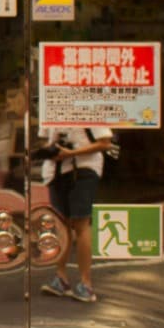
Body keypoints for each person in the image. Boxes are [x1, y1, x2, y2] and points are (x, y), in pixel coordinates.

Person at [38, 124, 115, 304]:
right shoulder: (50, 106)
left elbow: (105, 143)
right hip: (55, 171)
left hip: (83, 169)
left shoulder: (88, 106)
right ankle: (61, 278)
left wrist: (71, 153)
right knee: (60, 224)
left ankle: (85, 283)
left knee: (81, 224)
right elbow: (46, 140)